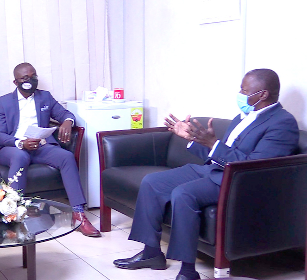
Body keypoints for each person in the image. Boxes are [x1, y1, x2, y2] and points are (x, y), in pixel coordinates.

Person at [113, 69, 299, 280]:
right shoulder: (243, 117)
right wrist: (192, 139)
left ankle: (188, 271)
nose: (240, 93)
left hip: (236, 181)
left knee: (184, 194)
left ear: (263, 94)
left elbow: (255, 166)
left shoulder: (283, 123)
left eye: (244, 90)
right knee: (152, 182)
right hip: (212, 169)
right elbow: (218, 153)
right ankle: (151, 253)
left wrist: (212, 143)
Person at [0, 62, 101, 237]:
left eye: (33, 76)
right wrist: (20, 143)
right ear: (15, 82)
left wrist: (67, 122)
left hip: (40, 146)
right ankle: (14, 215)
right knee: (20, 157)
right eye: (25, 78)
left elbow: (65, 114)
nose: (30, 80)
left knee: (66, 157)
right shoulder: (3, 102)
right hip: (12, 147)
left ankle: (79, 215)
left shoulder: (45, 97)